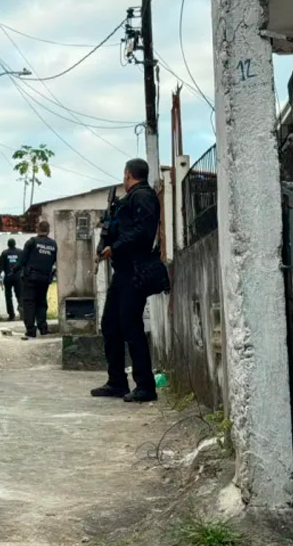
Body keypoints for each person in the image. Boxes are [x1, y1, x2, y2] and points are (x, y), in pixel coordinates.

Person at [91, 158, 161, 403]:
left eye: (124, 175)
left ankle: (145, 386)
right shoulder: (129, 200)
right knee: (111, 325)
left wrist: (115, 247)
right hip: (123, 271)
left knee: (131, 327)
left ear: (128, 174)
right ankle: (117, 381)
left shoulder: (143, 197)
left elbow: (143, 232)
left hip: (135, 270)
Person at [17, 221, 58, 339]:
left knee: (29, 303)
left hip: (31, 278)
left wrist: (14, 270)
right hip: (45, 278)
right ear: (48, 230)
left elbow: (23, 260)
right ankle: (43, 328)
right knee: (41, 302)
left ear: (38, 229)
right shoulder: (53, 244)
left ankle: (31, 330)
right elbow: (54, 260)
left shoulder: (32, 242)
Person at [0, 238, 23, 321]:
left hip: (8, 278)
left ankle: (11, 315)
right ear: (15, 244)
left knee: (8, 296)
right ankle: (22, 312)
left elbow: (1, 267)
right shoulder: (20, 252)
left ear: (8, 244)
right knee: (20, 295)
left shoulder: (4, 253)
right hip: (18, 278)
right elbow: (24, 264)